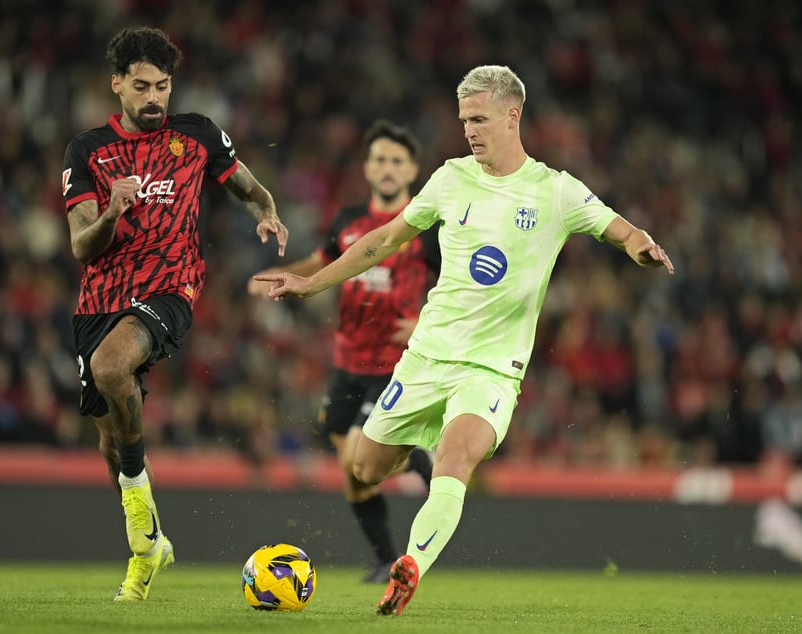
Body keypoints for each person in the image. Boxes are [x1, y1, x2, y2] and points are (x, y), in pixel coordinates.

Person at [255, 64, 675, 616]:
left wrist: (640, 247)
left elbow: (621, 228)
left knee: (456, 458)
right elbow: (384, 239)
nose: (469, 130)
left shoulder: (556, 191)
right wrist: (313, 282)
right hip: (426, 358)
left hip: (492, 369)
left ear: (512, 114)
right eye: (463, 121)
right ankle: (414, 453)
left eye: (478, 119)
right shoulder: (451, 178)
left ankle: (411, 566)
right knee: (363, 467)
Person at [61, 26, 288, 602]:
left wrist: (267, 211)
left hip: (170, 287)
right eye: (141, 87)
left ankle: (140, 510)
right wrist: (112, 210)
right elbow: (82, 247)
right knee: (111, 445)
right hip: (99, 298)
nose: (154, 97)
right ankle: (149, 545)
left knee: (114, 367)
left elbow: (249, 188)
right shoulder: (87, 151)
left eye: (162, 86)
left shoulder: (197, 135)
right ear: (116, 85)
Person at [249, 120, 438, 583]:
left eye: (397, 160)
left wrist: (424, 321)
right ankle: (383, 559)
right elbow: (323, 262)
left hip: (394, 367)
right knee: (353, 474)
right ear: (368, 168)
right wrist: (281, 275)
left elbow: (461, 282)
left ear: (412, 168)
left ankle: (419, 456)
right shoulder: (347, 220)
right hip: (346, 364)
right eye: (380, 159)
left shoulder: (426, 224)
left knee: (359, 454)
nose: (388, 167)